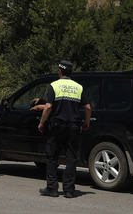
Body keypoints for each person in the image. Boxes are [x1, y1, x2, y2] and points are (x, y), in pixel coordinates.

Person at [38, 60, 91, 198]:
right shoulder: (78, 87)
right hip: (74, 126)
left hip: (57, 126)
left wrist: (42, 122)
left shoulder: (54, 85)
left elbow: (48, 106)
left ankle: (52, 188)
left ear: (60, 71)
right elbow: (88, 107)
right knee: (71, 157)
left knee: (52, 156)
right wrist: (86, 122)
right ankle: (69, 190)